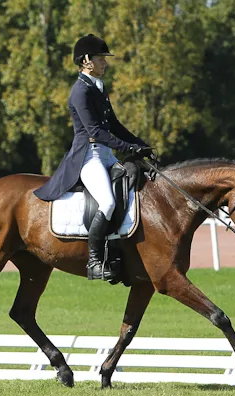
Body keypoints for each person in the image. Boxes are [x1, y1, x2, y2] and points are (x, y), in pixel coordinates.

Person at [34, 34, 152, 281]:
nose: (105, 63)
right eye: (100, 59)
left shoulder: (98, 87)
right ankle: (95, 261)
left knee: (132, 190)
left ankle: (118, 254)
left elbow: (114, 125)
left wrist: (140, 145)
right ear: (86, 60)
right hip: (88, 157)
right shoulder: (80, 92)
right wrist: (128, 148)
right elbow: (95, 132)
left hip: (106, 154)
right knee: (107, 202)